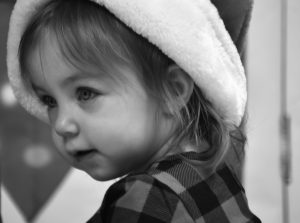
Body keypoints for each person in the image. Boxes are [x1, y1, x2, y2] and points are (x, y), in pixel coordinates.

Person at [7, 0, 260, 222]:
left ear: (172, 91)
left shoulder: (148, 198)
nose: (61, 125)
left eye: (85, 93)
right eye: (50, 101)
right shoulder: (216, 178)